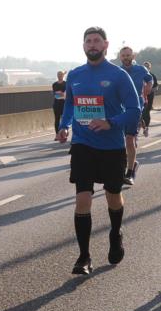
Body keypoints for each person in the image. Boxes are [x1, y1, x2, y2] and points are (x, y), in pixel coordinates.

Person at [56, 27, 140, 275]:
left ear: (105, 45)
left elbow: (134, 109)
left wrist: (110, 123)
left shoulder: (117, 75)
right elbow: (70, 104)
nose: (92, 44)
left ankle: (116, 233)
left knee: (112, 195)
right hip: (83, 144)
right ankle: (84, 256)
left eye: (96, 41)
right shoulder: (75, 75)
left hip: (112, 146)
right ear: (83, 46)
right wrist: (64, 126)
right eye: (88, 41)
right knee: (82, 197)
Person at [118, 46, 153, 185]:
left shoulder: (140, 69)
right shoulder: (118, 71)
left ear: (133, 56)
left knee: (129, 139)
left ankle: (130, 172)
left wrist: (149, 86)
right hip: (120, 109)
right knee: (119, 141)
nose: (126, 57)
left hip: (135, 108)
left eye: (128, 55)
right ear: (120, 57)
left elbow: (150, 79)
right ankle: (127, 165)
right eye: (123, 55)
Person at [141, 62, 158, 137]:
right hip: (141, 96)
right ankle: (139, 128)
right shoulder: (139, 75)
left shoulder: (152, 76)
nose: (146, 67)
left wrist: (149, 90)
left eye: (147, 66)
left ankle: (146, 127)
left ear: (149, 68)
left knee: (146, 111)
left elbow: (156, 86)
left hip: (150, 96)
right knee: (140, 113)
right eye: (144, 66)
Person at [51, 70, 67, 135]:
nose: (59, 76)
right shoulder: (54, 84)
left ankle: (63, 133)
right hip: (56, 104)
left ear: (63, 75)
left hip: (64, 104)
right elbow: (56, 94)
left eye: (61, 75)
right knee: (57, 120)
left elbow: (66, 94)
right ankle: (57, 134)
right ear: (57, 76)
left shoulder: (66, 83)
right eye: (58, 75)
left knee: (64, 120)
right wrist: (61, 93)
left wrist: (61, 93)